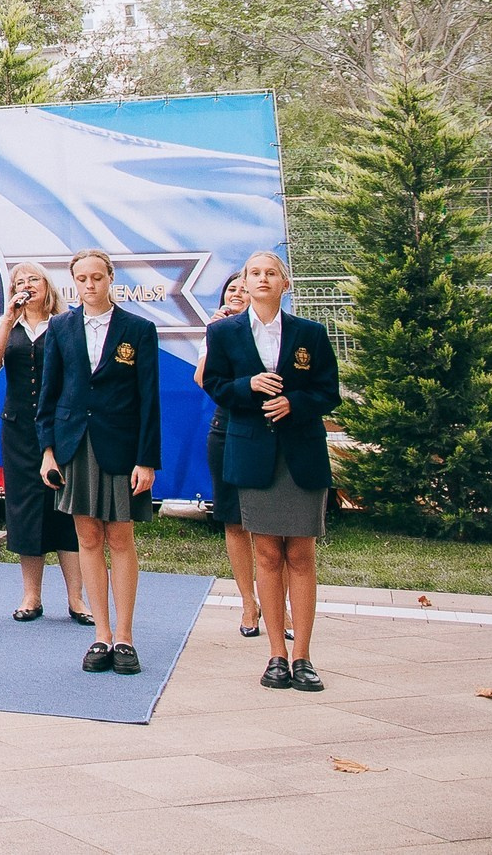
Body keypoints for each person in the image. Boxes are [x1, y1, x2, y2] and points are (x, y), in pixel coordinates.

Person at [204, 250, 339, 692]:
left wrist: (294, 403)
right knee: (266, 554)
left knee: (300, 554)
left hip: (300, 456)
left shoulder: (310, 334)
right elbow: (215, 385)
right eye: (254, 273)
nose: (262, 279)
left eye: (271, 273)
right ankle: (276, 656)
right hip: (252, 454)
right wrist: (249, 386)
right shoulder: (224, 333)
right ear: (245, 281)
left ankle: (303, 657)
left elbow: (327, 391)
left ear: (285, 283)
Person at [38, 248, 162, 677]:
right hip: (73, 446)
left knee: (121, 539)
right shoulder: (60, 327)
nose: (90, 286)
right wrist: (48, 450)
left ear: (111, 278)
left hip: (121, 448)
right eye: (82, 279)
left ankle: (125, 638)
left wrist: (146, 460)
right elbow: (49, 395)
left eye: (97, 277)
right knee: (87, 537)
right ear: (74, 282)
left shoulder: (138, 329)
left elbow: (150, 400)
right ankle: (101, 635)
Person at [0, 262, 90, 626]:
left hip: (62, 428)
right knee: (25, 511)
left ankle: (77, 599)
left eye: (33, 279)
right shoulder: (8, 326)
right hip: (19, 431)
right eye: (19, 282)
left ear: (47, 285)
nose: (26, 285)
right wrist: (7, 320)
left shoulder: (67, 323)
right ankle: (31, 595)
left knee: (66, 511)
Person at [194, 273, 262, 637]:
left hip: (267, 429)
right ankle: (249, 604)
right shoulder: (218, 332)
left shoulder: (271, 332)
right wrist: (214, 337)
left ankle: (280, 603)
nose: (236, 293)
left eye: (242, 288)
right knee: (234, 521)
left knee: (270, 526)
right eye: (230, 289)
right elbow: (203, 380)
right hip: (226, 430)